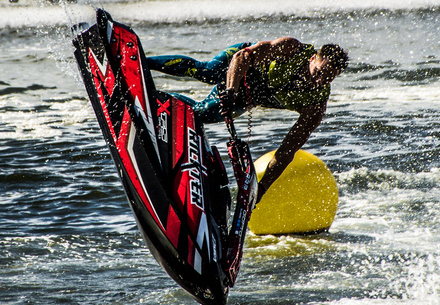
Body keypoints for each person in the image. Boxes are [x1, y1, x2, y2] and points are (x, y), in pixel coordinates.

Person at [147, 38, 348, 202]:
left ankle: (156, 99)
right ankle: (144, 62)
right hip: (239, 68)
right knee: (207, 72)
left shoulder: (315, 105)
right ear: (313, 58)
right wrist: (230, 92)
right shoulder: (291, 49)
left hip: (248, 95)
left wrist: (262, 188)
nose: (318, 81)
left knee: (204, 113)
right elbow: (242, 57)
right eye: (319, 72)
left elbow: (286, 151)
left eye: (328, 78)